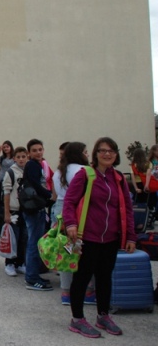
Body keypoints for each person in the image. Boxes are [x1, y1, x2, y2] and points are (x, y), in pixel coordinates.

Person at [63, 137, 136, 338]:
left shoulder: (119, 178)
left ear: (116, 154)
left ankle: (103, 316)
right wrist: (71, 223)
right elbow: (69, 201)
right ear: (95, 154)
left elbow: (127, 209)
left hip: (111, 238)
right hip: (87, 237)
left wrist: (131, 236)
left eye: (111, 151)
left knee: (104, 278)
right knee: (82, 278)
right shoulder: (85, 174)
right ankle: (77, 319)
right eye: (102, 150)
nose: (107, 154)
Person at [51, 142, 94, 305]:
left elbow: (55, 196)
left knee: (66, 251)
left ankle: (66, 292)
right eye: (85, 151)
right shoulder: (83, 170)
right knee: (84, 251)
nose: (87, 154)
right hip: (78, 210)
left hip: (60, 209)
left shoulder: (59, 171)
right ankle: (89, 291)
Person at [22, 139, 53, 291]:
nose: (38, 152)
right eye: (34, 150)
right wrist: (49, 195)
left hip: (35, 208)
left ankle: (34, 275)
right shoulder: (32, 165)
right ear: (29, 153)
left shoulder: (37, 165)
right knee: (34, 244)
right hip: (33, 209)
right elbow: (36, 184)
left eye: (40, 149)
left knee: (35, 242)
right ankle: (32, 278)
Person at [1, 146, 29, 277]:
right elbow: (6, 193)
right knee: (14, 238)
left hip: (26, 210)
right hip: (14, 210)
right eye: (18, 157)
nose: (21, 159)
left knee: (24, 238)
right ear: (14, 158)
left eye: (23, 156)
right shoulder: (11, 172)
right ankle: (9, 263)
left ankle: (20, 263)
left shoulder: (29, 171)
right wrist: (7, 213)